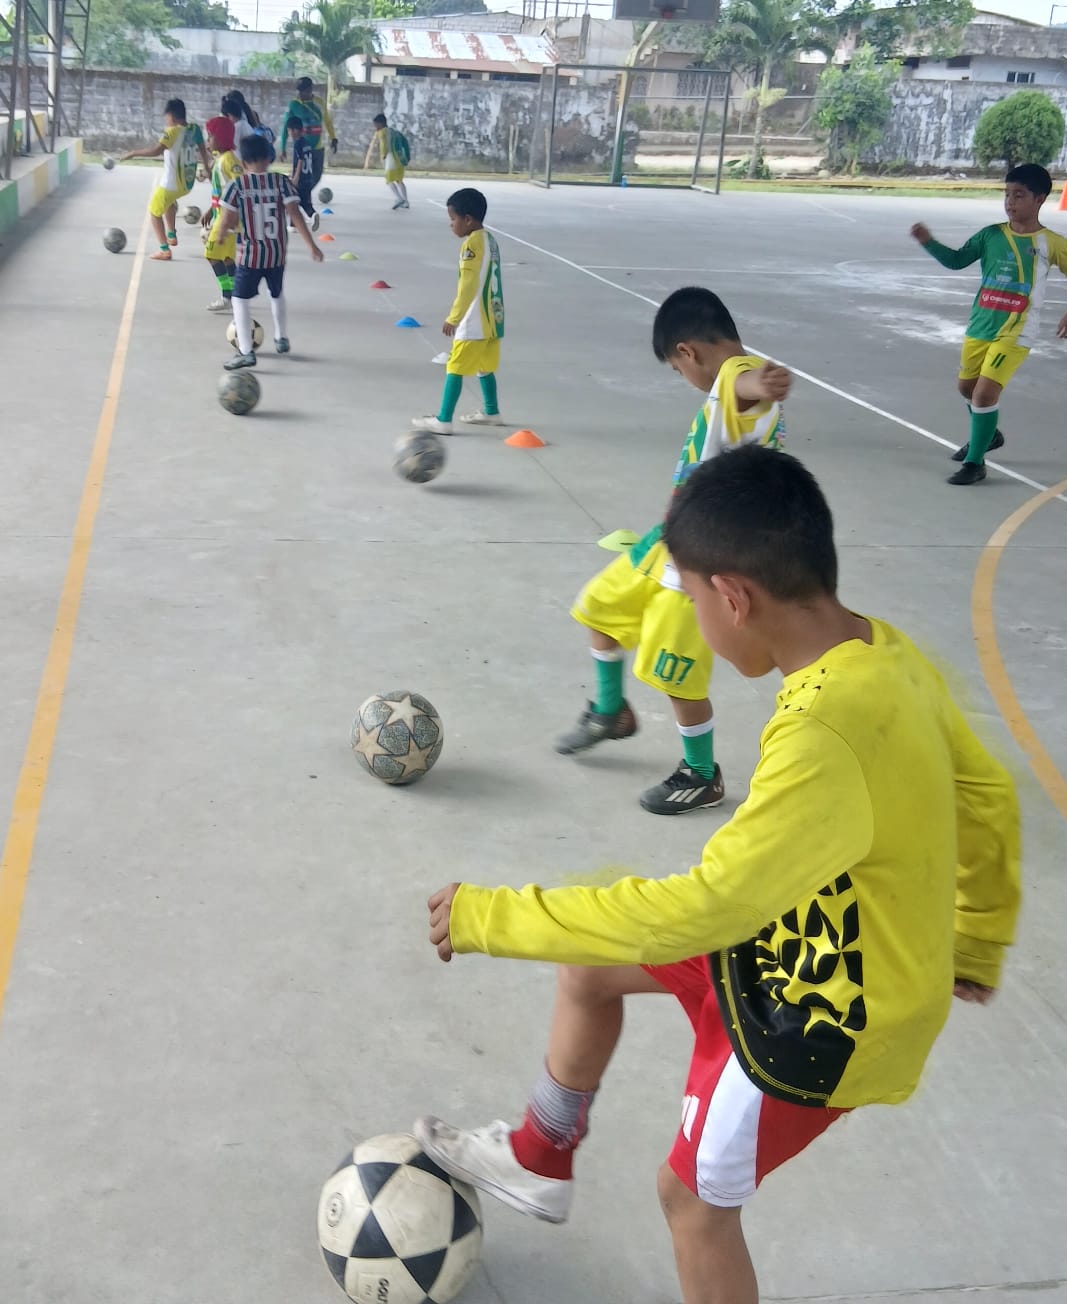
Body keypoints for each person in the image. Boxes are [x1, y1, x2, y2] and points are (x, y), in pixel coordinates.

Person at [416, 445, 1021, 1304]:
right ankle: (539, 1158)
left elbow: (709, 907)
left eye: (690, 598)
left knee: (693, 1204)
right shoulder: (883, 651)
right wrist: (978, 937)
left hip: (825, 1012)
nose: (694, 618)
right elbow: (988, 795)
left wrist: (494, 917)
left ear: (733, 597)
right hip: (794, 937)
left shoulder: (823, 730)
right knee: (590, 965)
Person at [556, 287, 789, 815]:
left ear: (689, 351)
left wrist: (762, 383)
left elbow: (745, 385)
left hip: (705, 561)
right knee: (599, 607)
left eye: (678, 368)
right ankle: (610, 711)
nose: (684, 377)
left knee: (675, 675)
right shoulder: (729, 380)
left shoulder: (734, 374)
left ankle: (701, 775)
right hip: (668, 540)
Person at [911, 163, 1067, 487]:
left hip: (1016, 330)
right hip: (981, 324)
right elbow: (956, 261)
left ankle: (975, 462)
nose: (1010, 201)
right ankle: (989, 435)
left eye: (1018, 195)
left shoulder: (1051, 243)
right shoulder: (990, 235)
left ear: (1039, 199)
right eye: (1007, 194)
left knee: (983, 394)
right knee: (966, 389)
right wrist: (928, 242)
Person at [213, 133, 324, 368]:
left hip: (250, 256)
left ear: (244, 162)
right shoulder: (281, 183)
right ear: (269, 158)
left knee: (239, 299)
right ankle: (281, 337)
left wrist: (221, 234)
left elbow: (227, 218)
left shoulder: (237, 186)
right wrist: (312, 246)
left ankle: (245, 351)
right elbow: (295, 215)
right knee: (276, 293)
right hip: (276, 254)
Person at [413, 188, 505, 436]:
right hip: (494, 317)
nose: (451, 224)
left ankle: (443, 420)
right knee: (484, 366)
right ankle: (491, 412)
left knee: (455, 366)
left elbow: (468, 284)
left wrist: (454, 317)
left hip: (475, 318)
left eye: (453, 219)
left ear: (468, 219)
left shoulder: (471, 245)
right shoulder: (490, 240)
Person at [121, 99, 205, 261]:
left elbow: (156, 151)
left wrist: (133, 153)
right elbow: (202, 150)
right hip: (187, 183)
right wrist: (207, 169)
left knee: (154, 212)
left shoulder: (172, 132)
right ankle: (171, 235)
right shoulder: (194, 129)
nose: (165, 120)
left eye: (166, 117)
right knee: (169, 202)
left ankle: (164, 250)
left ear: (171, 116)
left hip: (171, 184)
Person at [279, 76, 337, 229]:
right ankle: (299, 210)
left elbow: (327, 121)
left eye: (303, 91)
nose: (300, 94)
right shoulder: (294, 104)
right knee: (302, 183)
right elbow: (286, 125)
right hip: (302, 146)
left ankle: (299, 205)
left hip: (317, 147)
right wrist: (282, 146)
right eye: (299, 91)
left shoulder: (319, 103)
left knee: (314, 178)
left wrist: (333, 137)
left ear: (310, 90)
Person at [203, 115, 244, 315]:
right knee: (227, 257)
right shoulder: (221, 158)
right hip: (221, 215)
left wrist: (234, 215)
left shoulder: (229, 160)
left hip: (227, 219)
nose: (208, 140)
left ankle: (228, 296)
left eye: (211, 136)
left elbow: (241, 184)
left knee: (211, 254)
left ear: (220, 138)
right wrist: (211, 210)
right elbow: (221, 191)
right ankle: (236, 296)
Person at [364, 113, 412, 210]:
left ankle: (399, 198)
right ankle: (406, 201)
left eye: (376, 124)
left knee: (389, 180)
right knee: (399, 180)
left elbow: (383, 144)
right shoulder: (394, 132)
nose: (375, 127)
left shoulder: (382, 132)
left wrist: (383, 155)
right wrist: (407, 156)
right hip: (400, 158)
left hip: (391, 157)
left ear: (380, 124)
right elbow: (405, 142)